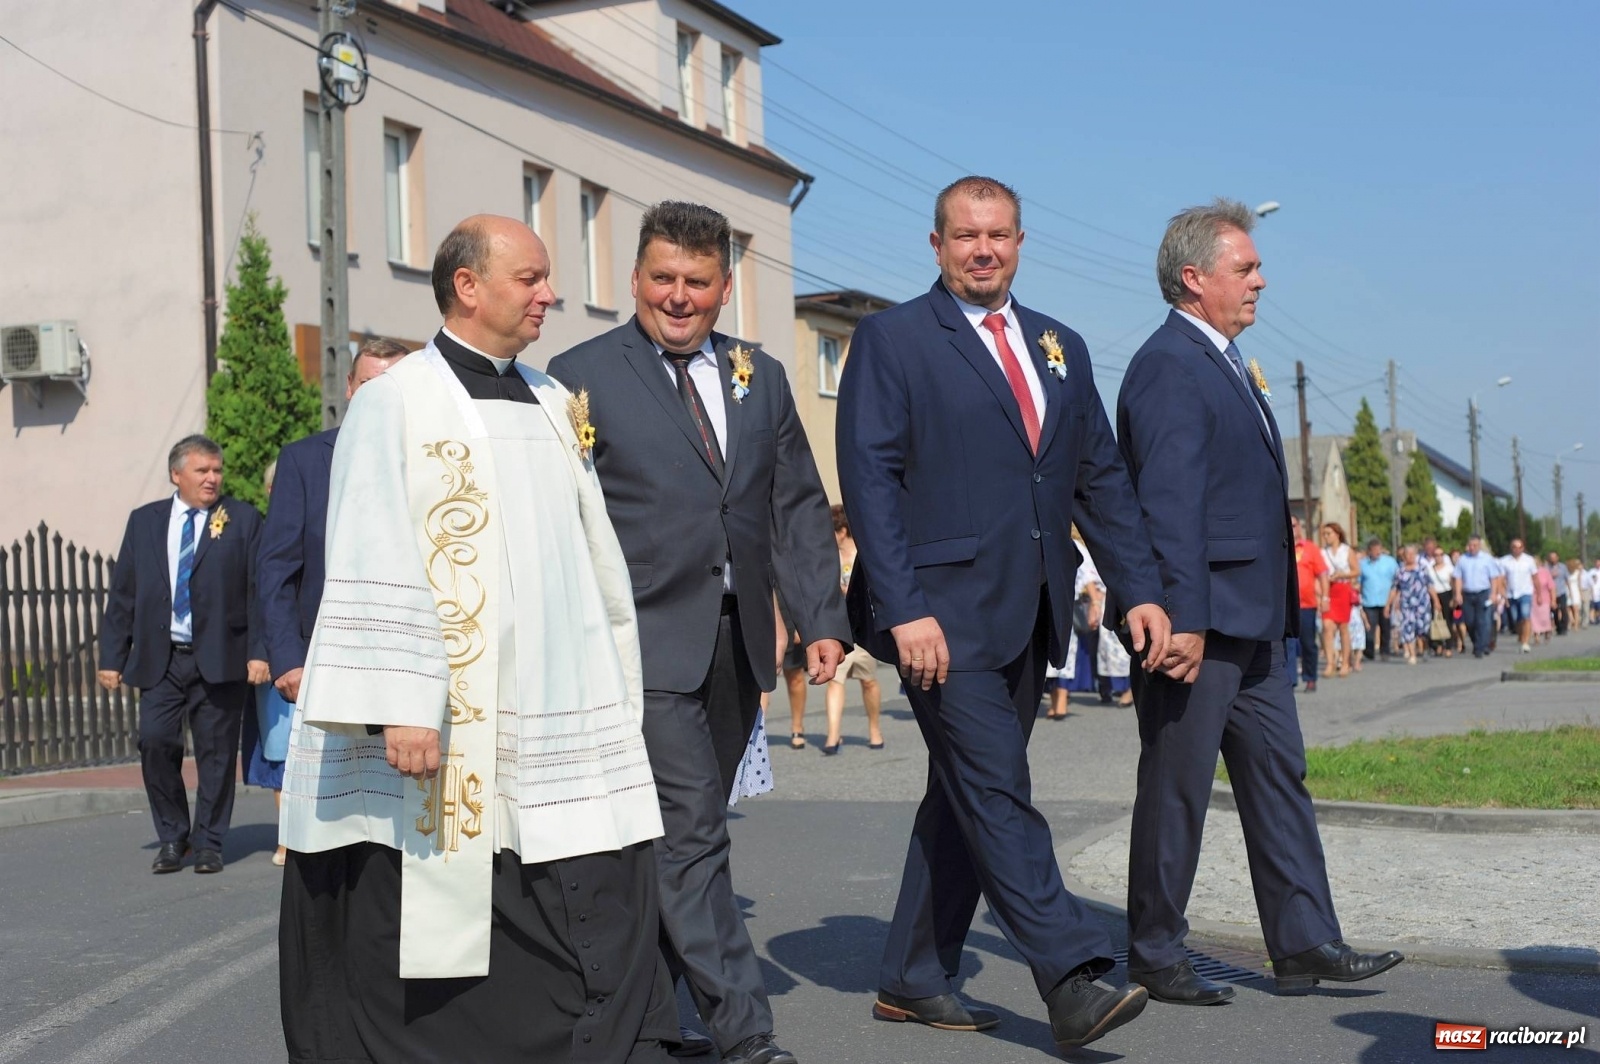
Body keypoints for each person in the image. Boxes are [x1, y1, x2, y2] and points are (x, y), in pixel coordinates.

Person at [277, 216, 674, 1063]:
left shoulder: (553, 399)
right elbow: (369, 543)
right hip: (449, 709)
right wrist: (400, 703)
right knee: (443, 882)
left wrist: (610, 671)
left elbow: (586, 551)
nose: (550, 294)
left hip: (550, 693)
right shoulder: (398, 399)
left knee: (573, 861)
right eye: (530, 278)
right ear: (467, 285)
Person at [838, 176, 1170, 1053]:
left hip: (1031, 611)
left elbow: (1099, 476)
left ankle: (914, 974)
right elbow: (870, 480)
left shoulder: (1061, 345)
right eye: (965, 235)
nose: (982, 250)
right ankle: (1072, 976)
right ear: (937, 244)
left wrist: (1140, 587)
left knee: (965, 795)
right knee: (995, 788)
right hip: (939, 622)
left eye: (998, 235)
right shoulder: (893, 340)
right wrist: (903, 607)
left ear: (1020, 242)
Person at [548, 201, 848, 1064]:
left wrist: (821, 617)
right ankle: (743, 1031)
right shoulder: (578, 376)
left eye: (696, 282)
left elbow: (794, 502)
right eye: (662, 279)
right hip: (638, 643)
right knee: (693, 835)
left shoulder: (761, 375)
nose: (677, 297)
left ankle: (637, 1020)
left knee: (681, 836)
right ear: (635, 278)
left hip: (737, 644)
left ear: (724, 287)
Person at [1116, 199, 1402, 1005]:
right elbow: (1169, 504)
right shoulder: (1169, 364)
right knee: (1177, 786)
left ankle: (1304, 942)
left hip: (1254, 621)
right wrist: (1186, 619)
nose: (1260, 281)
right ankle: (1155, 951)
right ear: (1193, 277)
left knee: (1280, 777)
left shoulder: (1229, 362)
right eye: (1244, 268)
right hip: (1200, 624)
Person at [254, 338, 410, 868]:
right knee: (335, 824)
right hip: (325, 663)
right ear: (348, 387)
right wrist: (286, 657)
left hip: (406, 660)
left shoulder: (431, 456)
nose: (379, 396)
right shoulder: (304, 460)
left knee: (406, 812)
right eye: (368, 384)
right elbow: (277, 567)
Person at [97, 436, 267, 875]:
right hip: (163, 657)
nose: (212, 479)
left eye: (217, 470)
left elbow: (258, 591)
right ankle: (174, 835)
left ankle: (209, 842)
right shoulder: (145, 522)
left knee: (216, 753)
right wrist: (112, 656)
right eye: (202, 470)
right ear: (176, 474)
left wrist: (259, 652)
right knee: (155, 741)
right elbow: (124, 592)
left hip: (221, 657)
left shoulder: (243, 520)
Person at [241, 458, 292, 866]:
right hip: (276, 658)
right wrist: (259, 652)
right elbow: (253, 597)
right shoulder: (259, 534)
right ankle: (288, 839)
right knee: (281, 751)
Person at [823, 505, 884, 753]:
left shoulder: (863, 553)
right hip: (839, 630)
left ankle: (874, 729)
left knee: (868, 681)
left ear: (842, 531)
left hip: (863, 627)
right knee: (834, 681)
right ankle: (833, 736)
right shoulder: (829, 558)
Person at [1287, 515, 1328, 691]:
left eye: (1294, 525)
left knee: (1308, 643)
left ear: (1300, 527)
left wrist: (1325, 597)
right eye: (1288, 525)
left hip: (1306, 605)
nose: (1291, 528)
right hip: (1286, 604)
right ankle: (1290, 680)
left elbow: (1323, 574)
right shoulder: (1282, 546)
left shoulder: (1310, 548)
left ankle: (1310, 677)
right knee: (1288, 645)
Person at [1387, 544, 1440, 664]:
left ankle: (1424, 646)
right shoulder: (1400, 571)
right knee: (1408, 628)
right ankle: (1412, 654)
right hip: (1407, 604)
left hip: (1422, 603)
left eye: (1412, 554)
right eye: (1407, 554)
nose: (1410, 556)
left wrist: (1436, 601)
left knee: (1422, 628)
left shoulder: (1422, 569)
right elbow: (1394, 589)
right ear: (1404, 556)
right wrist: (1388, 604)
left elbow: (1430, 585)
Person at [1319, 523, 1358, 677]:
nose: (1326, 537)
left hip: (1343, 588)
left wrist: (1342, 574)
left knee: (1343, 627)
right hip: (1328, 590)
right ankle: (1330, 663)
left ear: (1337, 534)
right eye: (1324, 534)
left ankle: (1345, 662)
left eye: (1328, 533)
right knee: (1327, 626)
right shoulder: (1323, 552)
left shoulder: (1346, 550)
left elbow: (1356, 571)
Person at [1453, 534, 1500, 657]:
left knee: (1482, 620)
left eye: (1475, 545)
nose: (1472, 548)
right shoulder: (1463, 559)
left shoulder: (1487, 559)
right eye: (1470, 545)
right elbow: (1458, 578)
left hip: (1483, 593)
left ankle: (1479, 647)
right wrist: (1457, 593)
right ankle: (1478, 642)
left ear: (1479, 546)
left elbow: (1494, 578)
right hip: (1468, 593)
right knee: (1469, 621)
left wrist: (1493, 593)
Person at [1358, 538, 1399, 661]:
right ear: (1369, 551)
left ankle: (1385, 651)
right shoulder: (1363, 564)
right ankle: (1369, 651)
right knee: (1369, 628)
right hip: (1369, 600)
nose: (1377, 552)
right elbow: (1359, 582)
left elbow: (1397, 580)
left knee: (1385, 627)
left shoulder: (1390, 562)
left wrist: (1396, 598)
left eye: (1379, 549)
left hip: (1385, 600)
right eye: (1374, 550)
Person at [1497, 539, 1539, 652]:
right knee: (1516, 618)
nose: (1517, 549)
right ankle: (1521, 635)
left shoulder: (1529, 560)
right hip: (1511, 594)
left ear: (1523, 548)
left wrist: (1539, 594)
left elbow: (1535, 577)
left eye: (1519, 547)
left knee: (1525, 615)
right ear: (1511, 548)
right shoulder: (1504, 561)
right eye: (1514, 547)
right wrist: (1502, 593)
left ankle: (1525, 642)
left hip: (1525, 592)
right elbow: (1500, 579)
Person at [1427, 546, 1457, 657]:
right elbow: (1429, 585)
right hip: (1434, 594)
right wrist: (1435, 600)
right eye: (1436, 555)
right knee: (1434, 620)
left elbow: (1453, 583)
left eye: (1441, 555)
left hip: (1447, 594)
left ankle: (1448, 646)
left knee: (1447, 620)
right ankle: (1437, 645)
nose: (1438, 557)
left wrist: (1454, 597)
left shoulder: (1449, 568)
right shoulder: (1430, 569)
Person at [1530, 560, 1555, 644]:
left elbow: (1552, 587)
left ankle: (1547, 631)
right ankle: (1536, 636)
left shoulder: (1545, 572)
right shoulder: (1528, 572)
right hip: (1532, 598)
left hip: (1545, 599)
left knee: (1545, 618)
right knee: (1533, 618)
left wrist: (1553, 600)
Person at [1548, 551, 1571, 635]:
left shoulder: (1563, 567)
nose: (1553, 559)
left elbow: (1567, 579)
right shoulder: (1547, 567)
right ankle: (1558, 627)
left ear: (1557, 558)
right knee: (1554, 611)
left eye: (1554, 557)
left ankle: (1564, 627)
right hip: (1551, 593)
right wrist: (1551, 575)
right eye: (1551, 558)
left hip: (1561, 591)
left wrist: (1570, 591)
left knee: (1563, 609)